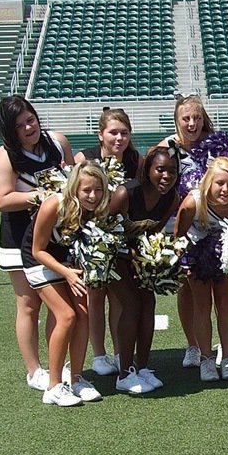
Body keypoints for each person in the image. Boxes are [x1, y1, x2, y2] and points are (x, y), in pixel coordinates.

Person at [0, 95, 72, 392]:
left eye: (30, 119)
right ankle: (34, 370)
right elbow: (0, 199)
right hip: (18, 237)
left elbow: (72, 180)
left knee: (57, 305)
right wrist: (39, 195)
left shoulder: (57, 141)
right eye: (20, 125)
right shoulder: (6, 155)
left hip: (55, 236)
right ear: (9, 131)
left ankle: (56, 364)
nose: (28, 127)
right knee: (28, 304)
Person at [21, 162, 113, 407]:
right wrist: (68, 274)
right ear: (74, 189)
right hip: (39, 261)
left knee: (83, 314)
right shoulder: (55, 204)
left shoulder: (98, 209)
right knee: (67, 316)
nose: (93, 196)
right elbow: (37, 250)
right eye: (86, 191)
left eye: (98, 190)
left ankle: (76, 378)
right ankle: (53, 386)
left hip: (68, 260)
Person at [108, 141, 182, 395]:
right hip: (111, 255)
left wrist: (154, 257)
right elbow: (101, 232)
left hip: (137, 257)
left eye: (172, 171)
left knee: (147, 303)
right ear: (148, 169)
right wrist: (127, 254)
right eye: (161, 169)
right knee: (131, 304)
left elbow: (154, 232)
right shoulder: (125, 194)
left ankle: (142, 367)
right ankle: (124, 372)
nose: (166, 176)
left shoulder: (171, 197)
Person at [75, 108, 141, 377]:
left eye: (124, 133)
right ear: (100, 134)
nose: (119, 138)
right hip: (90, 237)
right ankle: (99, 354)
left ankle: (118, 351)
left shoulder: (135, 160)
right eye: (113, 132)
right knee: (95, 295)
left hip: (122, 238)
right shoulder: (85, 158)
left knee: (119, 298)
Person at [175, 156, 228, 384]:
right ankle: (206, 358)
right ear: (209, 183)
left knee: (225, 302)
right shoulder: (192, 203)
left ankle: (227, 357)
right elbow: (178, 234)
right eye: (220, 183)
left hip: (225, 254)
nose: (225, 189)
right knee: (202, 304)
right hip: (198, 255)